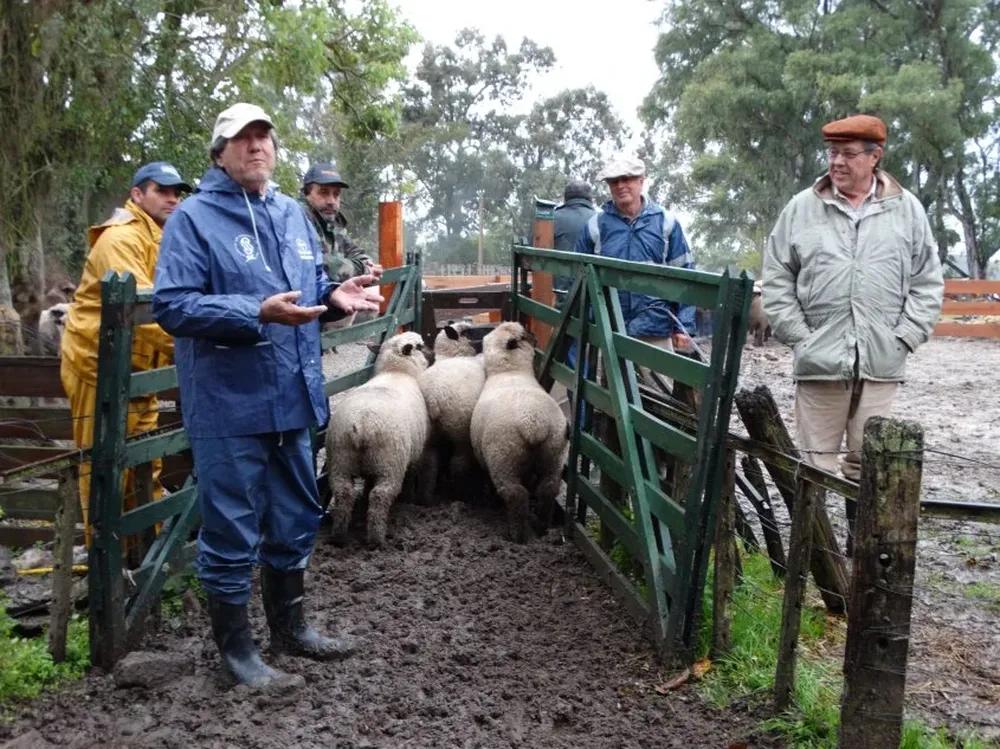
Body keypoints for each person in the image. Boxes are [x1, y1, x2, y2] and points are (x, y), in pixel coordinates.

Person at [153, 103, 383, 688]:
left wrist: (335, 295)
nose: (256, 147)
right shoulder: (194, 220)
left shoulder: (290, 214)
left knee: (296, 516)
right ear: (219, 153)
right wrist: (253, 312)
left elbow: (306, 290)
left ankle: (291, 627)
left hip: (293, 397)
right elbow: (173, 306)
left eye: (264, 137)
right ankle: (236, 654)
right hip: (230, 405)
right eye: (241, 138)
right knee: (231, 529)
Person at [763, 114, 943, 543]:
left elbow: (927, 281)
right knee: (815, 465)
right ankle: (816, 562)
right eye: (832, 153)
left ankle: (857, 558)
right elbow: (775, 276)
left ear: (874, 157)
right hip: (820, 361)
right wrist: (800, 336)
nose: (836, 163)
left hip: (882, 363)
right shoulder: (801, 208)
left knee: (869, 465)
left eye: (847, 154)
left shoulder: (907, 209)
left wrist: (905, 337)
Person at [61, 161, 192, 546]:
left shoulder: (160, 236)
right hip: (97, 369)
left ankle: (146, 556)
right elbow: (144, 314)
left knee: (144, 462)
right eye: (162, 191)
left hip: (138, 367)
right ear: (137, 194)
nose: (172, 198)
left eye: (176, 192)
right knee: (102, 468)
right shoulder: (120, 240)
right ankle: (106, 564)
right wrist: (196, 347)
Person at [574, 153, 696, 371]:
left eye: (627, 179)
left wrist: (683, 327)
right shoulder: (595, 227)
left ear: (641, 181)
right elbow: (578, 279)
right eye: (614, 181)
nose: (620, 186)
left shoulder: (666, 223)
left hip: (654, 329)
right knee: (610, 398)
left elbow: (685, 275)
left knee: (660, 396)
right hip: (609, 330)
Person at [300, 161, 383, 283]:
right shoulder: (297, 217)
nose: (331, 201)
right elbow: (317, 264)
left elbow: (355, 251)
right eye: (324, 192)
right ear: (306, 194)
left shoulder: (333, 222)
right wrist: (361, 268)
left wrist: (367, 264)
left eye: (336, 194)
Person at [552, 179, 596, 310]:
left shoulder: (550, 219)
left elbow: (531, 259)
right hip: (594, 303)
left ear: (565, 198)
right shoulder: (601, 220)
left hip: (559, 298)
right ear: (590, 199)